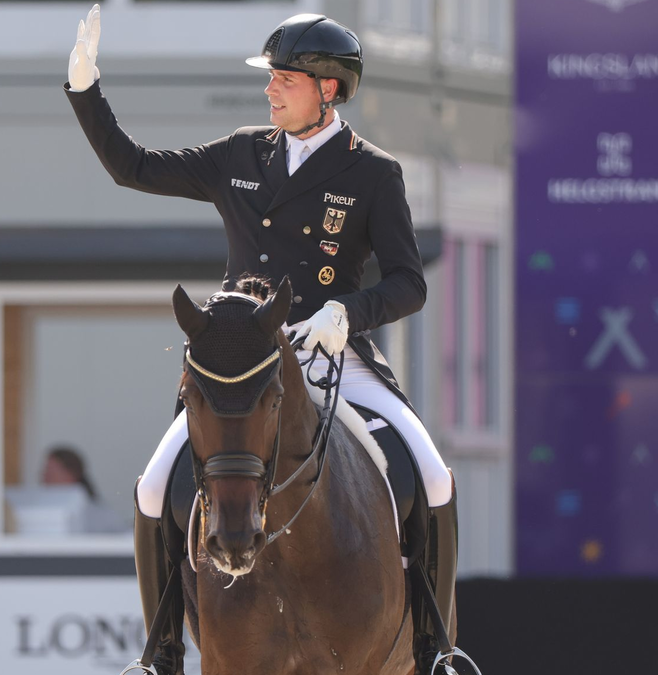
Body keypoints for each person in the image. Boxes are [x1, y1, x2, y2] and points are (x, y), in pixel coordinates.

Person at [64, 9, 460, 675]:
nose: (270, 91)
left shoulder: (373, 173)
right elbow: (132, 166)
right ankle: (160, 651)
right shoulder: (242, 152)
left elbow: (408, 284)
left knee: (435, 475)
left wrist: (347, 313)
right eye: (270, 79)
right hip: (242, 358)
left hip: (333, 352)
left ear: (327, 89)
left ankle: (435, 649)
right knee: (154, 486)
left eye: (285, 80)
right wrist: (84, 87)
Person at [41, 444, 125, 534]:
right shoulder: (40, 508)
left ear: (71, 474)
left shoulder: (97, 513)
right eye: (45, 471)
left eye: (51, 473)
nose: (44, 477)